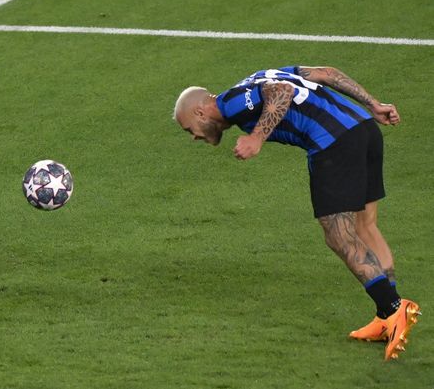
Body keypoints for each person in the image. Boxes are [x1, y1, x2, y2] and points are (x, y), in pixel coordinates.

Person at [173, 65, 420, 360]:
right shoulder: (260, 75)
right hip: (364, 128)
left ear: (200, 112)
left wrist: (257, 138)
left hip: (334, 143)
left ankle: (394, 307)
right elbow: (325, 73)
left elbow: (283, 92)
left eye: (190, 129)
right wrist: (373, 104)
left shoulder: (230, 102)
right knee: (365, 226)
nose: (194, 137)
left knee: (339, 235)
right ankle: (386, 316)